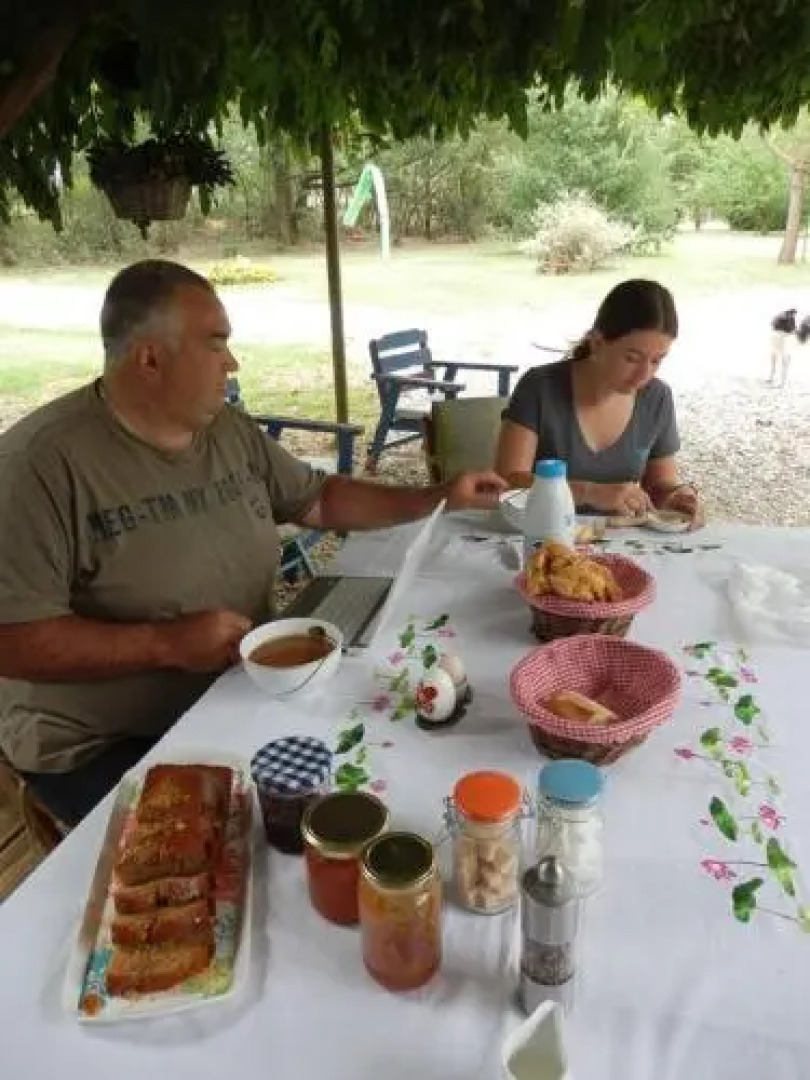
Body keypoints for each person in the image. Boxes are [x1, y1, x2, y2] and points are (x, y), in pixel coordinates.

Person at [0, 259, 506, 826]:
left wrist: (439, 495)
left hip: (244, 692)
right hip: (106, 747)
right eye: (216, 344)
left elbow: (319, 500)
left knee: (396, 778)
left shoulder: (226, 430)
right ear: (149, 357)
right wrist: (164, 643)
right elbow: (15, 640)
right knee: (259, 846)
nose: (232, 362)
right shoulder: (37, 466)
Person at [496, 278, 703, 526]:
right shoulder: (540, 387)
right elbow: (508, 482)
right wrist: (589, 492)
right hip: (542, 537)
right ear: (597, 343)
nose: (644, 375)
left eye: (657, 360)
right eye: (632, 358)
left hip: (622, 539)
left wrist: (676, 497)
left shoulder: (657, 397)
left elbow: (659, 486)